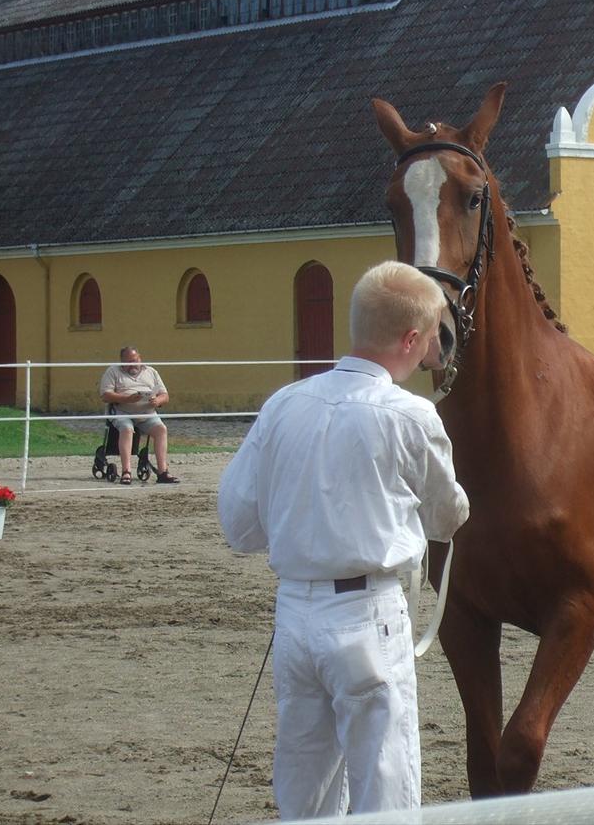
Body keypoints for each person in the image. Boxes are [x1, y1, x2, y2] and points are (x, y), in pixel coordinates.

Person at [217, 261, 470, 819]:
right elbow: (445, 518)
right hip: (368, 612)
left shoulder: (284, 403)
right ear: (411, 339)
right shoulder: (413, 415)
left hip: (295, 614)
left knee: (304, 782)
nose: (431, 348)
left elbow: (239, 525)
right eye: (429, 338)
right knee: (385, 781)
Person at [98, 346, 179, 484]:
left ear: (140, 358)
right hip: (122, 411)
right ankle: (126, 472)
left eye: (134, 360)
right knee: (127, 429)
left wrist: (157, 400)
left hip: (147, 412)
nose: (132, 365)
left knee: (161, 429)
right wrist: (126, 399)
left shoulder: (151, 371)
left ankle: (163, 472)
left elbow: (165, 395)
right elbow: (105, 395)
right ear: (122, 362)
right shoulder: (113, 371)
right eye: (128, 362)